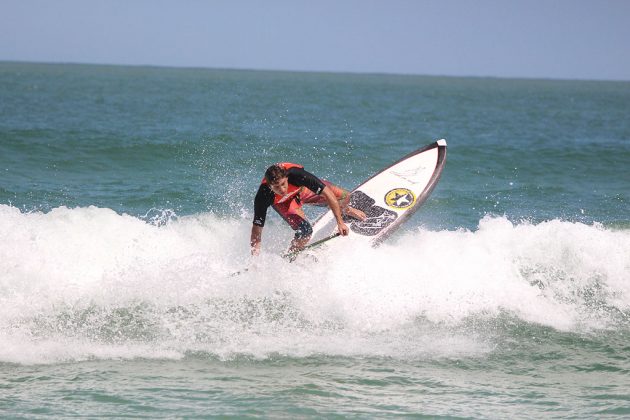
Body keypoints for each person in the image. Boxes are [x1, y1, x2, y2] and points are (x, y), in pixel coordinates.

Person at [250, 162, 366, 256]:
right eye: (276, 187)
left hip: (303, 191)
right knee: (305, 232)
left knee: (345, 196)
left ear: (287, 177)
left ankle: (345, 210)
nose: (282, 189)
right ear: (269, 186)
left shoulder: (297, 175)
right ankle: (290, 255)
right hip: (284, 203)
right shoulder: (263, 195)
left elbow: (327, 193)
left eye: (283, 184)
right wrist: (255, 256)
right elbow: (257, 229)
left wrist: (340, 223)